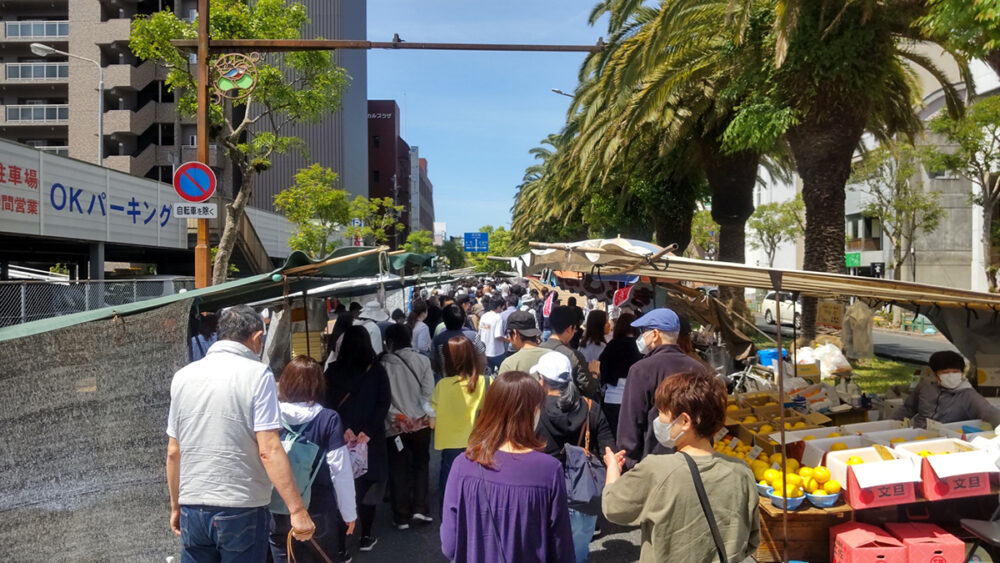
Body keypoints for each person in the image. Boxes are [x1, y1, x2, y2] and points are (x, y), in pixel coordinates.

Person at [167, 305, 315, 562]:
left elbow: (173, 451)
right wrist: (297, 509)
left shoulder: (183, 377)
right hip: (242, 506)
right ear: (257, 337)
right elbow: (268, 448)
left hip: (193, 504)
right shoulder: (258, 375)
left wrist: (175, 505)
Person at [603, 372, 760, 563]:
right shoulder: (741, 472)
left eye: (662, 412)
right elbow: (751, 542)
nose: (658, 420)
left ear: (684, 421)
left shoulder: (657, 470)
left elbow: (613, 508)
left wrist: (613, 470)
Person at [440, 370, 575, 563]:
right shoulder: (549, 470)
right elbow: (561, 548)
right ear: (532, 412)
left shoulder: (463, 464)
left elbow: (449, 544)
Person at [269, 356, 358, 563]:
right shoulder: (328, 418)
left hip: (277, 509)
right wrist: (349, 513)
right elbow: (340, 471)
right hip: (317, 509)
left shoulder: (271, 416)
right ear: (318, 384)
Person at [532, 352, 614, 563]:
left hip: (541, 492)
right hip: (582, 494)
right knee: (577, 555)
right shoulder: (590, 408)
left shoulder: (533, 409)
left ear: (541, 379)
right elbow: (609, 452)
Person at [323, 326, 391, 557]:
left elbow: (326, 403)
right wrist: (368, 431)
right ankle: (365, 535)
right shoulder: (377, 370)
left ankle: (342, 546)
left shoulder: (331, 371)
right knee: (368, 488)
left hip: (340, 438)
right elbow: (384, 403)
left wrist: (342, 429)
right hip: (370, 438)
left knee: (343, 488)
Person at [617, 308, 714, 469]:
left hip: (654, 463)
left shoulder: (641, 370)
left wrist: (627, 461)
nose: (641, 336)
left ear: (655, 334)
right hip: (694, 462)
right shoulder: (699, 368)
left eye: (643, 331)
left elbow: (631, 420)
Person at [380, 324, 436, 530]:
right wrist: (418, 416)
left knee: (398, 469)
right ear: (410, 338)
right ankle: (420, 508)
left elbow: (383, 400)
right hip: (420, 424)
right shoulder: (422, 360)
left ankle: (401, 515)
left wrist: (400, 417)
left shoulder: (383, 364)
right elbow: (429, 393)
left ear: (389, 342)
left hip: (395, 427)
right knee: (421, 465)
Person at [431, 337, 489, 507]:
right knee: (476, 490)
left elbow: (432, 422)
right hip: (478, 445)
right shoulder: (485, 382)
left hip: (449, 446)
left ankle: (449, 525)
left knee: (450, 490)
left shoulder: (442, 385)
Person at [894, 350, 1000, 428]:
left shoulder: (968, 395)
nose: (951, 376)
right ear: (935, 375)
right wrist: (891, 424)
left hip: (945, 438)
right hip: (917, 434)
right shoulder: (925, 386)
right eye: (945, 373)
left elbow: (990, 413)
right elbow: (908, 408)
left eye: (955, 372)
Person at [541, 306, 601, 401]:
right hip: (565, 408)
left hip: (541, 407)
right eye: (575, 328)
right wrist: (594, 373)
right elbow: (589, 389)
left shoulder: (538, 349)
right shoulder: (573, 355)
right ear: (569, 329)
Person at [598, 313, 642, 436]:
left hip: (612, 397)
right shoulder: (640, 348)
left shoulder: (612, 345)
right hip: (634, 399)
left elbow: (603, 367)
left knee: (613, 436)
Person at [431, 304, 486, 379]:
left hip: (447, 380)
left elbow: (434, 363)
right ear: (464, 319)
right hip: (471, 380)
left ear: (444, 320)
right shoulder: (473, 336)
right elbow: (482, 361)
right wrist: (477, 377)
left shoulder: (437, 340)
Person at [478, 296, 508, 373]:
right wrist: (508, 340)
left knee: (488, 374)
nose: (502, 310)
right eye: (502, 307)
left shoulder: (484, 316)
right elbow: (498, 336)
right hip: (497, 351)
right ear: (498, 307)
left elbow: (482, 331)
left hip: (486, 351)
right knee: (503, 372)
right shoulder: (498, 317)